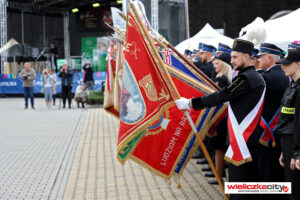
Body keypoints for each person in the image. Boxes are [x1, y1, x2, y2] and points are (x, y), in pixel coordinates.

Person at [175, 39, 266, 200]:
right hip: (249, 139)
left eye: (235, 57)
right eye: (231, 57)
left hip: (243, 141)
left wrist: (190, 103)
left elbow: (221, 95)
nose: (231, 61)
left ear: (246, 57)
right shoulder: (253, 77)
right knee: (248, 188)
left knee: (241, 189)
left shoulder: (245, 78)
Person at [276, 48, 300, 200]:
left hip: (296, 144)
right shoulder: (291, 86)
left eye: (287, 63)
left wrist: (297, 153)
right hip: (288, 143)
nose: (283, 66)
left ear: (298, 64)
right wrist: (285, 151)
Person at [206, 52, 232, 185]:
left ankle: (219, 175)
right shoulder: (220, 77)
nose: (213, 65)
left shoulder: (223, 79)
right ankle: (219, 173)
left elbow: (218, 98)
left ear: (224, 65)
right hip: (220, 117)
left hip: (221, 118)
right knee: (218, 148)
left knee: (219, 148)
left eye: (217, 63)